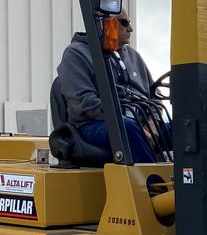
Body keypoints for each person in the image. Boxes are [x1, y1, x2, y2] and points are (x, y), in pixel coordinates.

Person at [56, 11, 168, 163]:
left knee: (185, 128)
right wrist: (132, 124)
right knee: (127, 129)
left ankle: (187, 177)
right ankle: (152, 178)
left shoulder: (133, 56)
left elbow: (154, 97)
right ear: (104, 23)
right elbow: (84, 103)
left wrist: (152, 124)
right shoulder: (76, 54)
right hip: (94, 124)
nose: (130, 29)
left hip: (138, 123)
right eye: (124, 23)